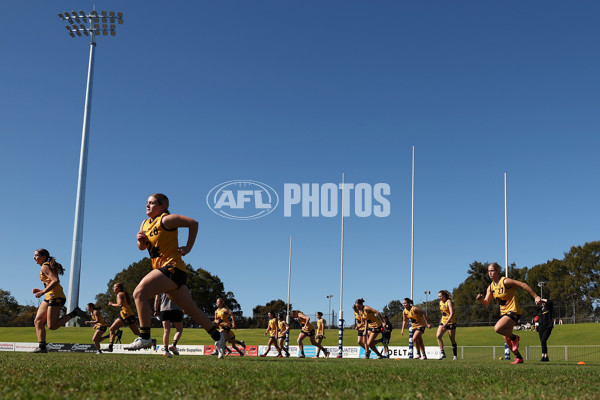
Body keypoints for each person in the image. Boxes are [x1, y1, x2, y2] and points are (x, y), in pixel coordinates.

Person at [125, 193, 226, 357]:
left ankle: (145, 337)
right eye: (146, 203)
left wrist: (188, 247)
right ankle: (218, 337)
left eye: (151, 203)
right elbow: (141, 248)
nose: (147, 205)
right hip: (165, 270)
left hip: (173, 268)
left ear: (162, 207)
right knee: (191, 310)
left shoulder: (166, 219)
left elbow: (193, 223)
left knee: (139, 292)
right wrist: (140, 240)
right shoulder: (144, 223)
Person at [476, 262, 541, 364]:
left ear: (498, 271)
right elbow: (486, 303)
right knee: (506, 339)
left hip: (514, 310)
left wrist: (536, 296)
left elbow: (523, 285)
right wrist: (480, 299)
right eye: (488, 271)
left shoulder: (505, 281)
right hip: (504, 313)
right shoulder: (491, 287)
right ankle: (519, 357)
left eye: (492, 271)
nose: (490, 273)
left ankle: (515, 338)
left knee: (497, 328)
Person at [31, 249, 87, 353]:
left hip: (56, 297)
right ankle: (42, 348)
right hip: (50, 296)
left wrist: (42, 292)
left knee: (52, 326)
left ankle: (75, 312)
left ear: (43, 257)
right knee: (38, 321)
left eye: (36, 255)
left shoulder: (44, 266)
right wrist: (41, 290)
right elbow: (50, 283)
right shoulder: (45, 265)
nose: (34, 257)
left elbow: (55, 280)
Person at [106, 282, 139, 352]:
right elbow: (130, 303)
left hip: (126, 315)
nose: (113, 289)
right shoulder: (123, 294)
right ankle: (110, 347)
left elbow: (120, 305)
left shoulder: (119, 294)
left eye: (115, 287)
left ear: (119, 288)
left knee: (112, 329)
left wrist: (111, 304)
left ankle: (110, 346)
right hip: (127, 315)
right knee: (136, 333)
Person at [154, 292, 184, 357]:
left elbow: (157, 300)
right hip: (175, 309)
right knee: (179, 329)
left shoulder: (159, 287)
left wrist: (156, 310)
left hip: (163, 310)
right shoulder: (174, 284)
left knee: (166, 331)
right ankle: (173, 345)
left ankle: (166, 351)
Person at [436, 290, 458, 360]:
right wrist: (443, 322)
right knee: (438, 336)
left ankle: (455, 356)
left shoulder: (449, 302)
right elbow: (443, 313)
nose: (439, 297)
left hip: (451, 322)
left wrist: (446, 323)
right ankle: (442, 353)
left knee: (452, 339)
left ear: (444, 296)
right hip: (443, 322)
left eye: (440, 296)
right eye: (438, 296)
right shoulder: (440, 302)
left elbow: (451, 313)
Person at [537, 296, 554, 362]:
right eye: (542, 302)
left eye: (543, 302)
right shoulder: (540, 310)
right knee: (542, 342)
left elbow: (550, 302)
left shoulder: (549, 309)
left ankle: (544, 356)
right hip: (540, 327)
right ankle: (544, 356)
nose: (543, 303)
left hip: (547, 327)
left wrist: (542, 299)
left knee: (543, 340)